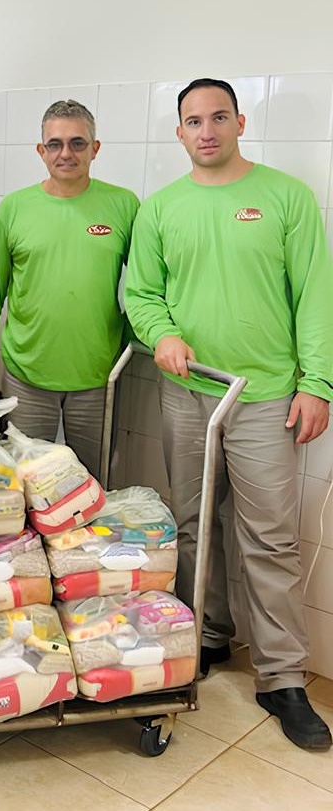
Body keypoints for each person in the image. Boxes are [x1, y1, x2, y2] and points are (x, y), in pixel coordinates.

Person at [125, 78, 333, 751]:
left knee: (269, 537)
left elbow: (314, 296)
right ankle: (205, 636)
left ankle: (281, 677)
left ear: (240, 121)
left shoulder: (286, 198)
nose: (206, 129)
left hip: (265, 394)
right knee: (191, 525)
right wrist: (162, 335)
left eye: (218, 117)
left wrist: (318, 383)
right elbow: (140, 291)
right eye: (193, 120)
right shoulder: (161, 210)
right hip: (189, 391)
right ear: (178, 133)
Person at [0, 100, 139, 477]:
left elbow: (146, 286)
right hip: (26, 373)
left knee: (91, 484)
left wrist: (123, 342)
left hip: (97, 377)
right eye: (55, 144)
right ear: (40, 150)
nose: (66, 153)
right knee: (25, 483)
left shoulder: (124, 205)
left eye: (78, 143)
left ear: (95, 149)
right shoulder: (15, 208)